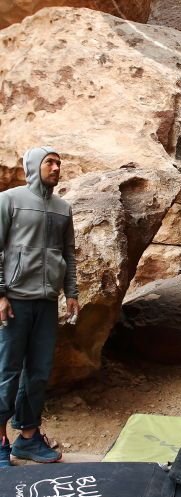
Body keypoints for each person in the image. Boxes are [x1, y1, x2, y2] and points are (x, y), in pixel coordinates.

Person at [0, 146, 80, 465]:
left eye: (59, 162)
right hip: (15, 301)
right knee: (6, 371)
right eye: (50, 162)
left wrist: (71, 292)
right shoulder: (9, 200)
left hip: (46, 302)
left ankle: (29, 438)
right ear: (34, 166)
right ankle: (1, 441)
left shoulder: (63, 208)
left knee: (39, 372)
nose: (56, 167)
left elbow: (69, 254)